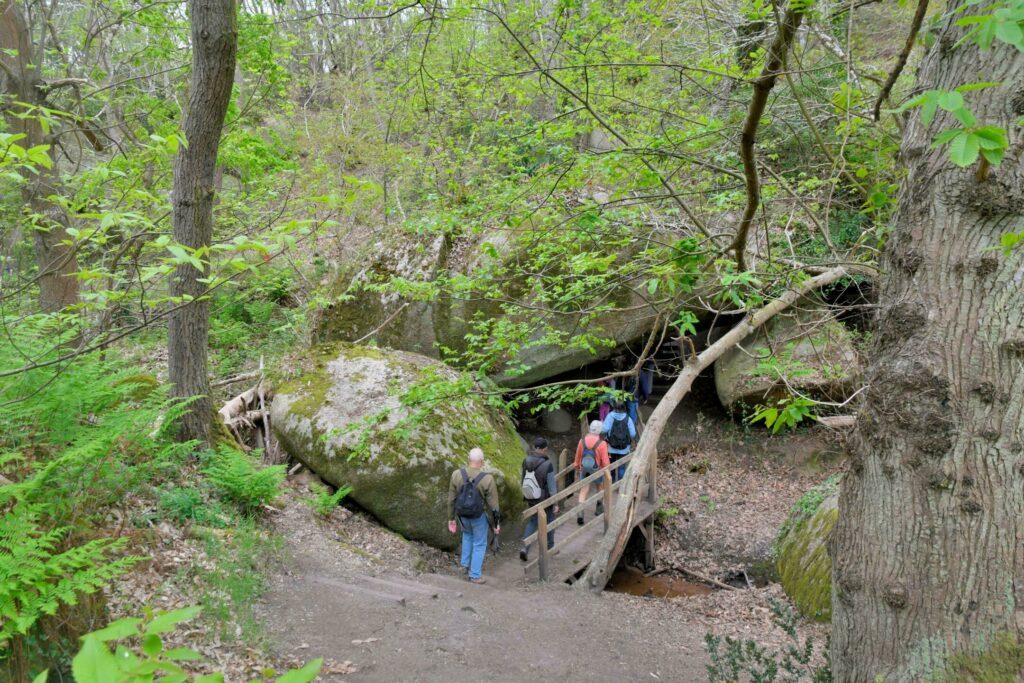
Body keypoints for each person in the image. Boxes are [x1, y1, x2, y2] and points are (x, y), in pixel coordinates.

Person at [447, 447, 500, 584]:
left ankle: (464, 566)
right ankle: (475, 575)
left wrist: (451, 519)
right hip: (478, 516)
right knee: (479, 544)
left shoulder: (456, 474)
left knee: (467, 536)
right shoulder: (487, 479)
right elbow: (494, 505)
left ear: (469, 459)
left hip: (462, 515)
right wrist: (496, 524)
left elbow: (451, 499)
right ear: (481, 462)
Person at [520, 436, 558, 562]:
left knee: (533, 522)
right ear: (544, 449)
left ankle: (525, 548)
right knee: (550, 521)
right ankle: (550, 547)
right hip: (545, 499)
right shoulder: (547, 465)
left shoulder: (526, 461)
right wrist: (555, 502)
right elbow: (552, 487)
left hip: (531, 496)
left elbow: (523, 479)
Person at [574, 420, 610, 525]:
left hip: (584, 469)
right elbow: (605, 461)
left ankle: (580, 514)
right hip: (597, 469)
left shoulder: (582, 441)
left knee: (584, 490)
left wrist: (577, 467)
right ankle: (599, 509)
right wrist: (606, 470)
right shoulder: (602, 444)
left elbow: (578, 457)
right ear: (599, 430)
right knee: (600, 487)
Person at [602, 400, 636, 482]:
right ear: (624, 408)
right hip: (624, 448)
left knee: (611, 466)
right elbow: (633, 434)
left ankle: (611, 483)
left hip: (611, 446)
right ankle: (620, 485)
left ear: (614, 407)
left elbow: (604, 429)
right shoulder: (628, 418)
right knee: (621, 467)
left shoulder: (610, 416)